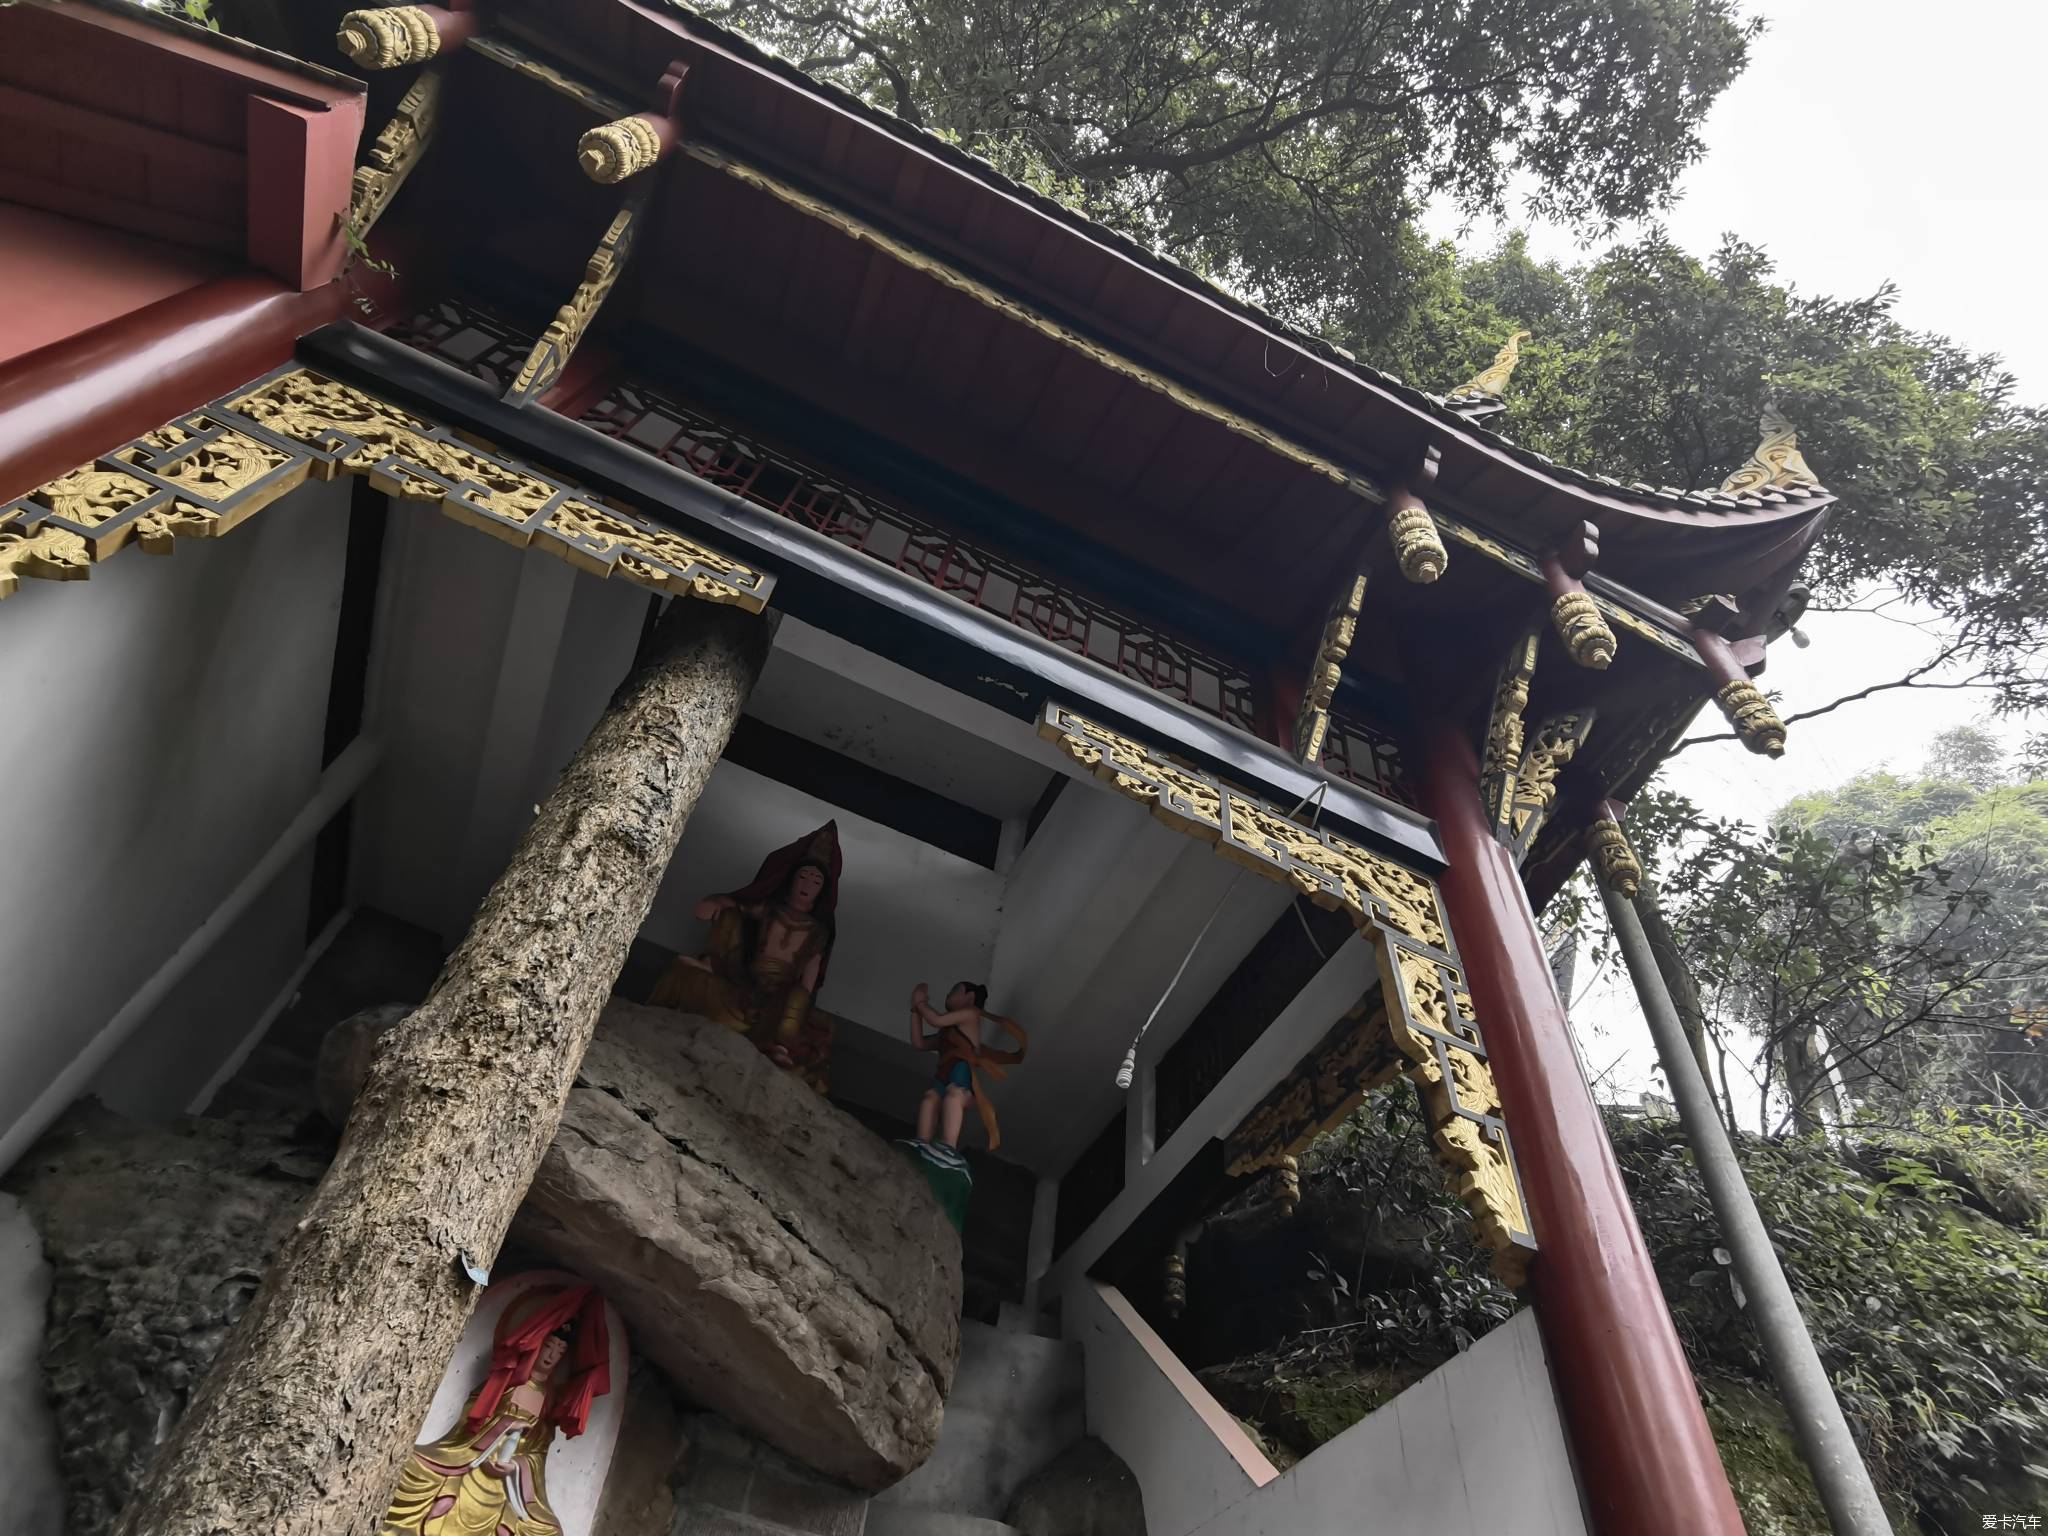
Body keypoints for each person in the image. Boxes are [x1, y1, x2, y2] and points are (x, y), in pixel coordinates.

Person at [382, 1283, 610, 1536]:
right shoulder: (507, 1384)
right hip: (466, 1465)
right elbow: (469, 1421)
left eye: (560, 1352)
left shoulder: (549, 1400)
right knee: (407, 1467)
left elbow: (538, 1451)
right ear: (537, 1345)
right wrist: (503, 1427)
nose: (551, 1356)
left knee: (549, 1531)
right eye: (549, 1347)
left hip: (507, 1486)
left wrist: (517, 1467)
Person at [651, 822, 841, 1091]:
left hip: (781, 996)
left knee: (807, 1008)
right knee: (687, 964)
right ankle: (712, 968)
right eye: (804, 876)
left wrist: (799, 1006)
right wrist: (716, 904)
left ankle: (779, 1044)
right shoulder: (771, 910)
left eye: (816, 881)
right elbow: (734, 906)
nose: (808, 884)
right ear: (792, 878)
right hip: (747, 982)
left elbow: (808, 982)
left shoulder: (818, 933)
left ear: (822, 889)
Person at [909, 980, 1027, 1151]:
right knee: (930, 1098)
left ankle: (948, 1147)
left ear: (969, 996)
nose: (948, 993)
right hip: (943, 1073)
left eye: (954, 990)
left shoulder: (971, 1013)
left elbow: (937, 1019)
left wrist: (920, 1003)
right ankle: (921, 1143)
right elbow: (919, 1044)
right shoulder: (947, 1034)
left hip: (960, 1073)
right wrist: (915, 1010)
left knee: (953, 1096)